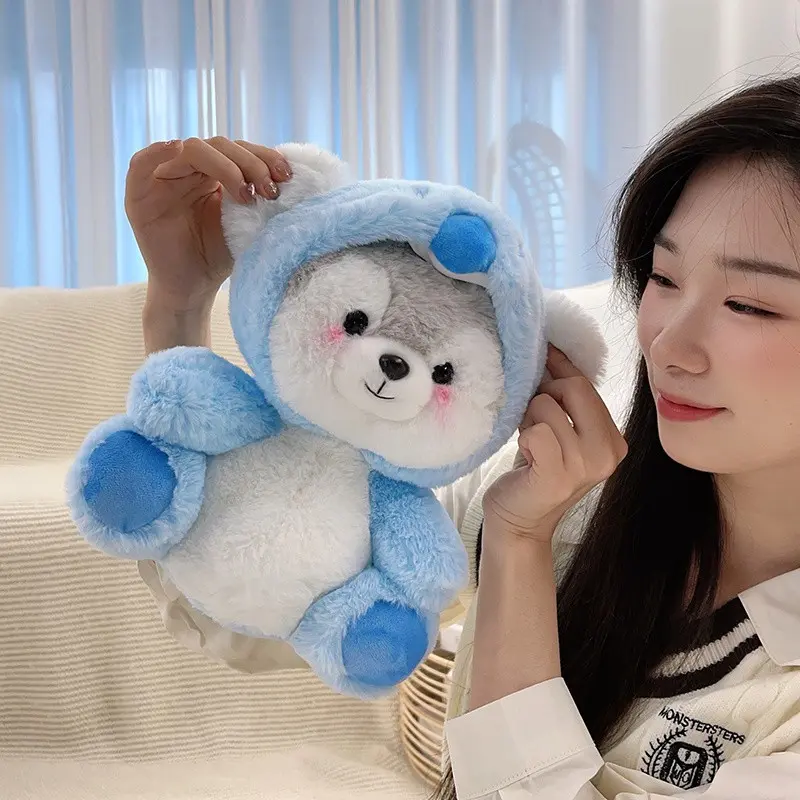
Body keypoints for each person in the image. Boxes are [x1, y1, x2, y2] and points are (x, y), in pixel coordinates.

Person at [130, 76, 800, 800]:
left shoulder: (539, 513)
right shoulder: (567, 493)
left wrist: (519, 545)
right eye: (664, 278)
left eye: (749, 305)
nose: (668, 344)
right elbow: (254, 600)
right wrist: (179, 305)